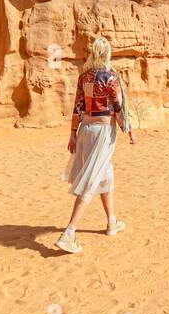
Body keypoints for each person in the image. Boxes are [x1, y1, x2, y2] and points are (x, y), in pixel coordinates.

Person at [56, 36, 137, 254]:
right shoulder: (110, 77)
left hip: (85, 131)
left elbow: (78, 107)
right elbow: (118, 106)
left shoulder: (84, 77)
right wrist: (128, 130)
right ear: (107, 53)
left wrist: (72, 133)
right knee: (91, 180)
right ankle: (69, 233)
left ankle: (112, 222)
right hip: (103, 132)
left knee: (105, 175)